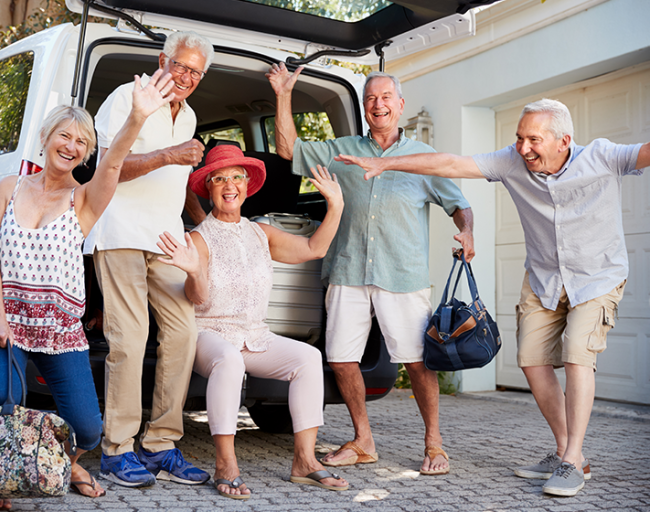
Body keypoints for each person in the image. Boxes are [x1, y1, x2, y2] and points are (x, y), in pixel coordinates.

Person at [334, 98, 650, 497]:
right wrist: (386, 164)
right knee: (531, 361)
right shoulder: (511, 161)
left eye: (533, 140)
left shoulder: (602, 156)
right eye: (519, 138)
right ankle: (565, 450)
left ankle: (572, 461)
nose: (523, 148)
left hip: (597, 278)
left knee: (577, 356)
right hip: (544, 279)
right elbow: (450, 164)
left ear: (564, 141)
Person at [0, 71, 177, 511]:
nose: (71, 146)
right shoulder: (9, 187)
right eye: (64, 135)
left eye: (82, 142)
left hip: (58, 329)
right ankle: (1, 477)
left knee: (87, 429)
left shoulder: (82, 200)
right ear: (46, 138)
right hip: (3, 319)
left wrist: (138, 117)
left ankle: (66, 465)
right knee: (5, 398)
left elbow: (114, 164)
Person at [267, 64, 474, 475]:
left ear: (400, 105)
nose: (378, 105)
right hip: (347, 270)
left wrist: (467, 232)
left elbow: (459, 204)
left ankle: (434, 443)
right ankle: (363, 440)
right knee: (341, 359)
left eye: (385, 97)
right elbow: (289, 149)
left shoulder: (423, 158)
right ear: (364, 107)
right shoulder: (343, 151)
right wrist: (283, 94)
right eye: (370, 99)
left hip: (402, 274)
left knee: (418, 361)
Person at [155, 145, 348, 499]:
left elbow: (315, 249)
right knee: (229, 359)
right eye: (219, 179)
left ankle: (304, 461)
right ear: (208, 187)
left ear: (247, 184)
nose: (230, 185)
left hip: (255, 335)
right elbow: (197, 298)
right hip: (208, 334)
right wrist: (194, 270)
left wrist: (335, 206)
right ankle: (226, 464)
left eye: (236, 177)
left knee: (309, 358)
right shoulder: (198, 238)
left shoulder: (261, 233)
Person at [84, 31, 214, 488]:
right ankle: (116, 450)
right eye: (181, 66)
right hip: (120, 232)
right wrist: (169, 155)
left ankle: (159, 444)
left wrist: (201, 225)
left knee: (183, 333)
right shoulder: (129, 97)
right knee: (131, 336)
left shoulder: (189, 114)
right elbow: (108, 168)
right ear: (162, 60)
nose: (187, 77)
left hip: (166, 238)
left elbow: (175, 185)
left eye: (196, 72)